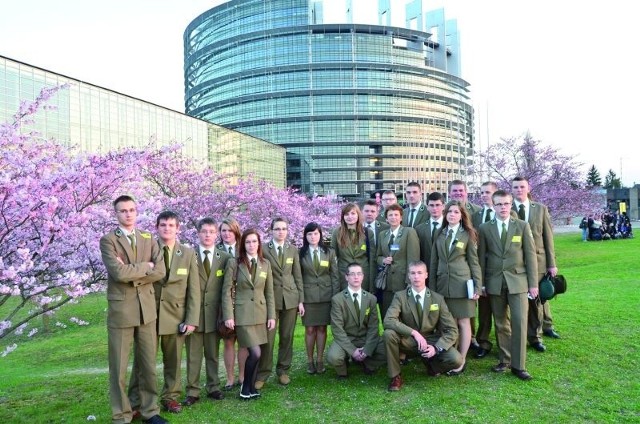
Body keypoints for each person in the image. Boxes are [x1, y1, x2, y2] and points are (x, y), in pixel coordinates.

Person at [99, 195, 167, 424]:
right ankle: (121, 415)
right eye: (122, 211)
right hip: (122, 312)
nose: (128, 214)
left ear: (137, 212)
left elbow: (160, 271)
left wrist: (134, 271)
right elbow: (118, 273)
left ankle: (150, 411)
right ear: (116, 214)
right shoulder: (108, 240)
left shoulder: (148, 238)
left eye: (131, 210)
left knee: (148, 364)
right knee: (118, 367)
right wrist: (145, 267)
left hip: (147, 310)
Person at [138, 211, 200, 414]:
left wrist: (191, 319)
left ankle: (170, 397)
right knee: (145, 361)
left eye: (171, 225)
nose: (167, 228)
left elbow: (194, 289)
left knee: (173, 361)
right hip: (149, 315)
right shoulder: (147, 250)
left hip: (176, 317)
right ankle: (143, 401)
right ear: (157, 227)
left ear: (178, 228)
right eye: (163, 225)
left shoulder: (188, 253)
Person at [477, 190, 538, 381]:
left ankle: (519, 365)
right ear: (493, 206)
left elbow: (530, 256)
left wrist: (533, 284)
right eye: (499, 204)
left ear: (511, 204)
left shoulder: (521, 226)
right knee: (501, 323)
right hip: (494, 283)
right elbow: (481, 259)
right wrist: (482, 284)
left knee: (519, 321)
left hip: (518, 282)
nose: (503, 207)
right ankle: (505, 359)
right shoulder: (485, 228)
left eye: (506, 204)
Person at [383, 261, 463, 391]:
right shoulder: (400, 296)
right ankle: (395, 376)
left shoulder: (437, 299)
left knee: (456, 359)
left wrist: (436, 348)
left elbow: (452, 329)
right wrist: (414, 333)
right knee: (388, 334)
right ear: (408, 276)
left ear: (426, 275)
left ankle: (432, 365)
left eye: (420, 273)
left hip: (431, 340)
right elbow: (388, 320)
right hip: (408, 340)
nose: (416, 277)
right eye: (413, 273)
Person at [429, 200, 482, 375]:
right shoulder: (440, 233)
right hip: (443, 286)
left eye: (456, 212)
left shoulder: (468, 234)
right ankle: (448, 357)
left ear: (462, 215)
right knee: (446, 324)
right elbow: (434, 262)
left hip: (462, 285)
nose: (452, 214)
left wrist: (477, 286)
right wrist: (432, 289)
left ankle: (461, 359)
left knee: (463, 322)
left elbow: (474, 263)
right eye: (449, 211)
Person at [222, 229, 276, 400]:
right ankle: (245, 388)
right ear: (242, 244)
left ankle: (250, 388)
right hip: (242, 315)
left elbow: (269, 293)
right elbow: (226, 291)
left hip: (260, 314)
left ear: (259, 243)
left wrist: (272, 316)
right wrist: (228, 315)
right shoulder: (234, 263)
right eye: (248, 242)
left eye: (254, 241)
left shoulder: (265, 264)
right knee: (255, 353)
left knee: (257, 352)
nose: (251, 245)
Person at [184, 217, 231, 407]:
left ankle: (213, 387)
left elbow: (227, 289)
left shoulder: (225, 258)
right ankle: (192, 391)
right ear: (198, 233)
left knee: (212, 354)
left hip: (213, 316)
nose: (208, 235)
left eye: (212, 232)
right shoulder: (188, 256)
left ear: (216, 234)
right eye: (204, 231)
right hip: (193, 316)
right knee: (193, 356)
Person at [511, 176, 560, 352]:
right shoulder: (507, 210)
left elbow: (548, 237)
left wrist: (551, 263)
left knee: (537, 301)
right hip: (517, 264)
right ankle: (521, 334)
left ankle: (536, 337)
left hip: (538, 262)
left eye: (522, 186)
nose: (519, 190)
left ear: (528, 188)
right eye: (515, 187)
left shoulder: (540, 209)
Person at [256, 218, 305, 389]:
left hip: (290, 298)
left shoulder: (292, 249)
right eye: (277, 229)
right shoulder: (263, 249)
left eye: (284, 228)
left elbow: (297, 276)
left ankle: (283, 370)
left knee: (287, 337)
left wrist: (301, 300)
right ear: (271, 230)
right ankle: (263, 373)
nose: (281, 231)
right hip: (270, 299)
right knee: (268, 339)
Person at [327, 263, 386, 379]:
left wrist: (367, 349)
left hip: (365, 338)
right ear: (346, 277)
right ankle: (343, 370)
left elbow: (374, 327)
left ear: (363, 276)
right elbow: (337, 329)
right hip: (347, 338)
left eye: (359, 274)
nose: (356, 277)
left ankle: (367, 363)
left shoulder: (371, 299)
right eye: (352, 274)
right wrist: (352, 351)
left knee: (388, 351)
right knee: (334, 357)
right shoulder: (337, 300)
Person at [299, 222, 340, 375]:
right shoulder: (300, 253)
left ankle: (320, 360)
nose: (313, 236)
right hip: (308, 297)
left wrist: (335, 297)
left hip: (326, 296)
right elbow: (298, 277)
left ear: (320, 235)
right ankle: (310, 361)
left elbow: (335, 275)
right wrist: (300, 300)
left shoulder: (329, 252)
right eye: (309, 234)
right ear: (305, 236)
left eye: (316, 233)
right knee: (310, 329)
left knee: (322, 328)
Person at [216, 218, 247, 389]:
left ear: (236, 231)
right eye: (223, 231)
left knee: (243, 341)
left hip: (243, 302)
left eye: (229, 230)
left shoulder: (243, 248)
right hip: (225, 302)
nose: (226, 234)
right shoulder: (216, 250)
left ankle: (242, 376)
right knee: (228, 341)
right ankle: (230, 378)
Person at [376, 203, 420, 318]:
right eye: (390, 215)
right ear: (386, 218)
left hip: (402, 283)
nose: (393, 217)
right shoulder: (382, 235)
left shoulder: (409, 232)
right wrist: (383, 260)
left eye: (396, 215)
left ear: (401, 218)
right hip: (387, 284)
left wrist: (410, 282)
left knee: (404, 315)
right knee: (387, 315)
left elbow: (413, 259)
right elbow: (378, 256)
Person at [470, 181, 498, 359]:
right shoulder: (477, 215)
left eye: (488, 192)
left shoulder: (506, 213)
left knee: (502, 309)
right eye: (482, 192)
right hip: (482, 266)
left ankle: (505, 343)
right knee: (484, 308)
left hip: (500, 268)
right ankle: (483, 341)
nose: (484, 195)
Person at [331, 203, 375, 292]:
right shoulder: (337, 233)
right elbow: (333, 257)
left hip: (363, 276)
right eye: (346, 214)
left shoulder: (367, 232)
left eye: (353, 213)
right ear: (343, 217)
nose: (350, 217)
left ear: (358, 215)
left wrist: (371, 285)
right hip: (344, 276)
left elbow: (372, 259)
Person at [414, 192, 445, 269]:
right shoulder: (419, 229)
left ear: (443, 206)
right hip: (426, 270)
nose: (434, 208)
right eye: (431, 205)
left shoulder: (449, 227)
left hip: (444, 272)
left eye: (437, 205)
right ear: (427, 207)